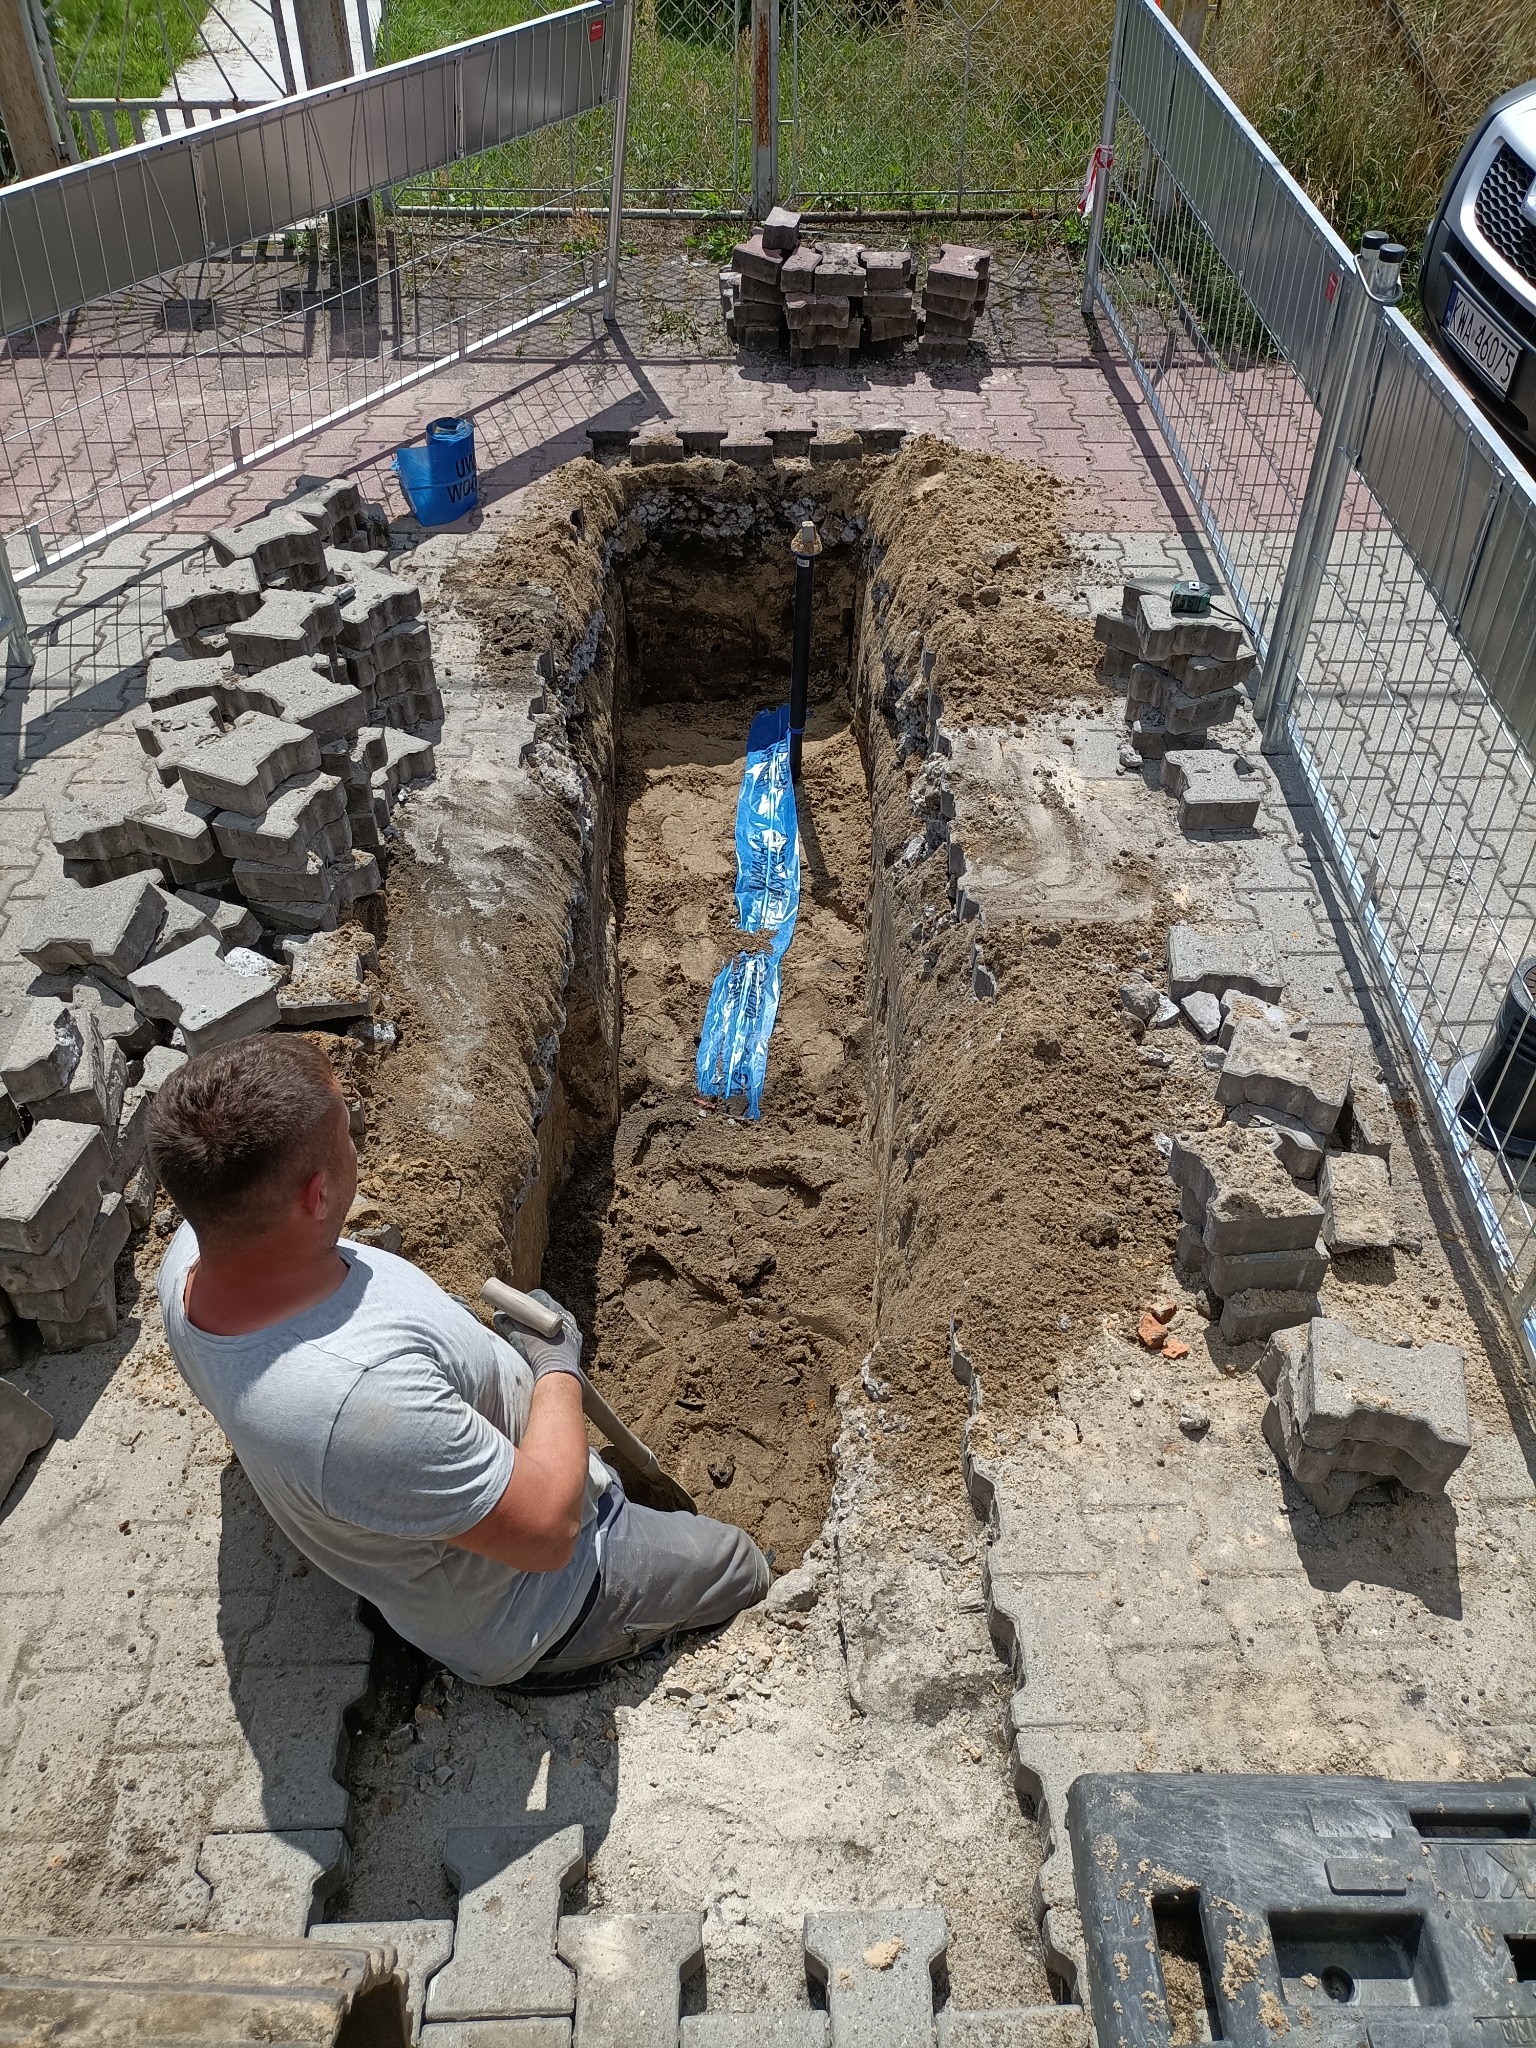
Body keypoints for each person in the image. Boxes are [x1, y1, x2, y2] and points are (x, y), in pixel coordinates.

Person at [147, 1033, 770, 1688]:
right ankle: (580, 1658)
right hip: (539, 1598)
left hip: (449, 1494)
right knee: (739, 1563)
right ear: (317, 1196)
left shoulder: (195, 1255)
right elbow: (550, 1534)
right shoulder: (360, 1405)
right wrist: (555, 1365)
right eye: (347, 1137)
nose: (359, 1144)